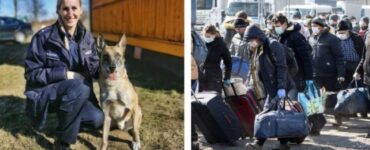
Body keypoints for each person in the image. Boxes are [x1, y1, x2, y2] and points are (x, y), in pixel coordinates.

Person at [24, 0, 103, 149]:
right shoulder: (43, 38)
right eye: (65, 9)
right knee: (80, 87)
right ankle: (62, 142)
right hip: (48, 93)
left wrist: (107, 70)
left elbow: (95, 70)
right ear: (58, 11)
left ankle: (68, 118)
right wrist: (65, 74)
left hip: (75, 94)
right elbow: (31, 73)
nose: (70, 13)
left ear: (80, 11)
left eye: (74, 8)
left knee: (97, 119)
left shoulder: (87, 38)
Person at [244, 25, 296, 150]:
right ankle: (283, 143)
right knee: (277, 114)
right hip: (270, 87)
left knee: (270, 114)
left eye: (251, 40)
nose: (250, 43)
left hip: (281, 87)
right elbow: (254, 66)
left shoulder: (273, 45)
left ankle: (259, 143)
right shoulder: (258, 48)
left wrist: (281, 88)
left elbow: (282, 67)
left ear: (258, 37)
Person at [309, 17, 345, 128]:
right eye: (312, 26)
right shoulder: (311, 38)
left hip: (330, 73)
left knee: (332, 98)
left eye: (316, 26)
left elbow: (339, 57)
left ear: (322, 27)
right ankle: (316, 123)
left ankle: (337, 117)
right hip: (315, 73)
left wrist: (340, 74)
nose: (314, 28)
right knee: (315, 99)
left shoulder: (332, 39)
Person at [271, 13, 314, 98]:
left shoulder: (295, 36)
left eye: (278, 26)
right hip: (287, 76)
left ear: (285, 24)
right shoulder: (281, 36)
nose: (276, 28)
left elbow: (306, 58)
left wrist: (309, 77)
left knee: (295, 103)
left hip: (298, 76)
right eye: (275, 26)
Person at [199, 24, 232, 93]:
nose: (206, 38)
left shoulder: (221, 44)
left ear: (214, 35)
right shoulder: (201, 43)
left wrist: (227, 77)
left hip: (215, 76)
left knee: (215, 98)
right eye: (205, 36)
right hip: (202, 75)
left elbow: (228, 62)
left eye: (208, 36)